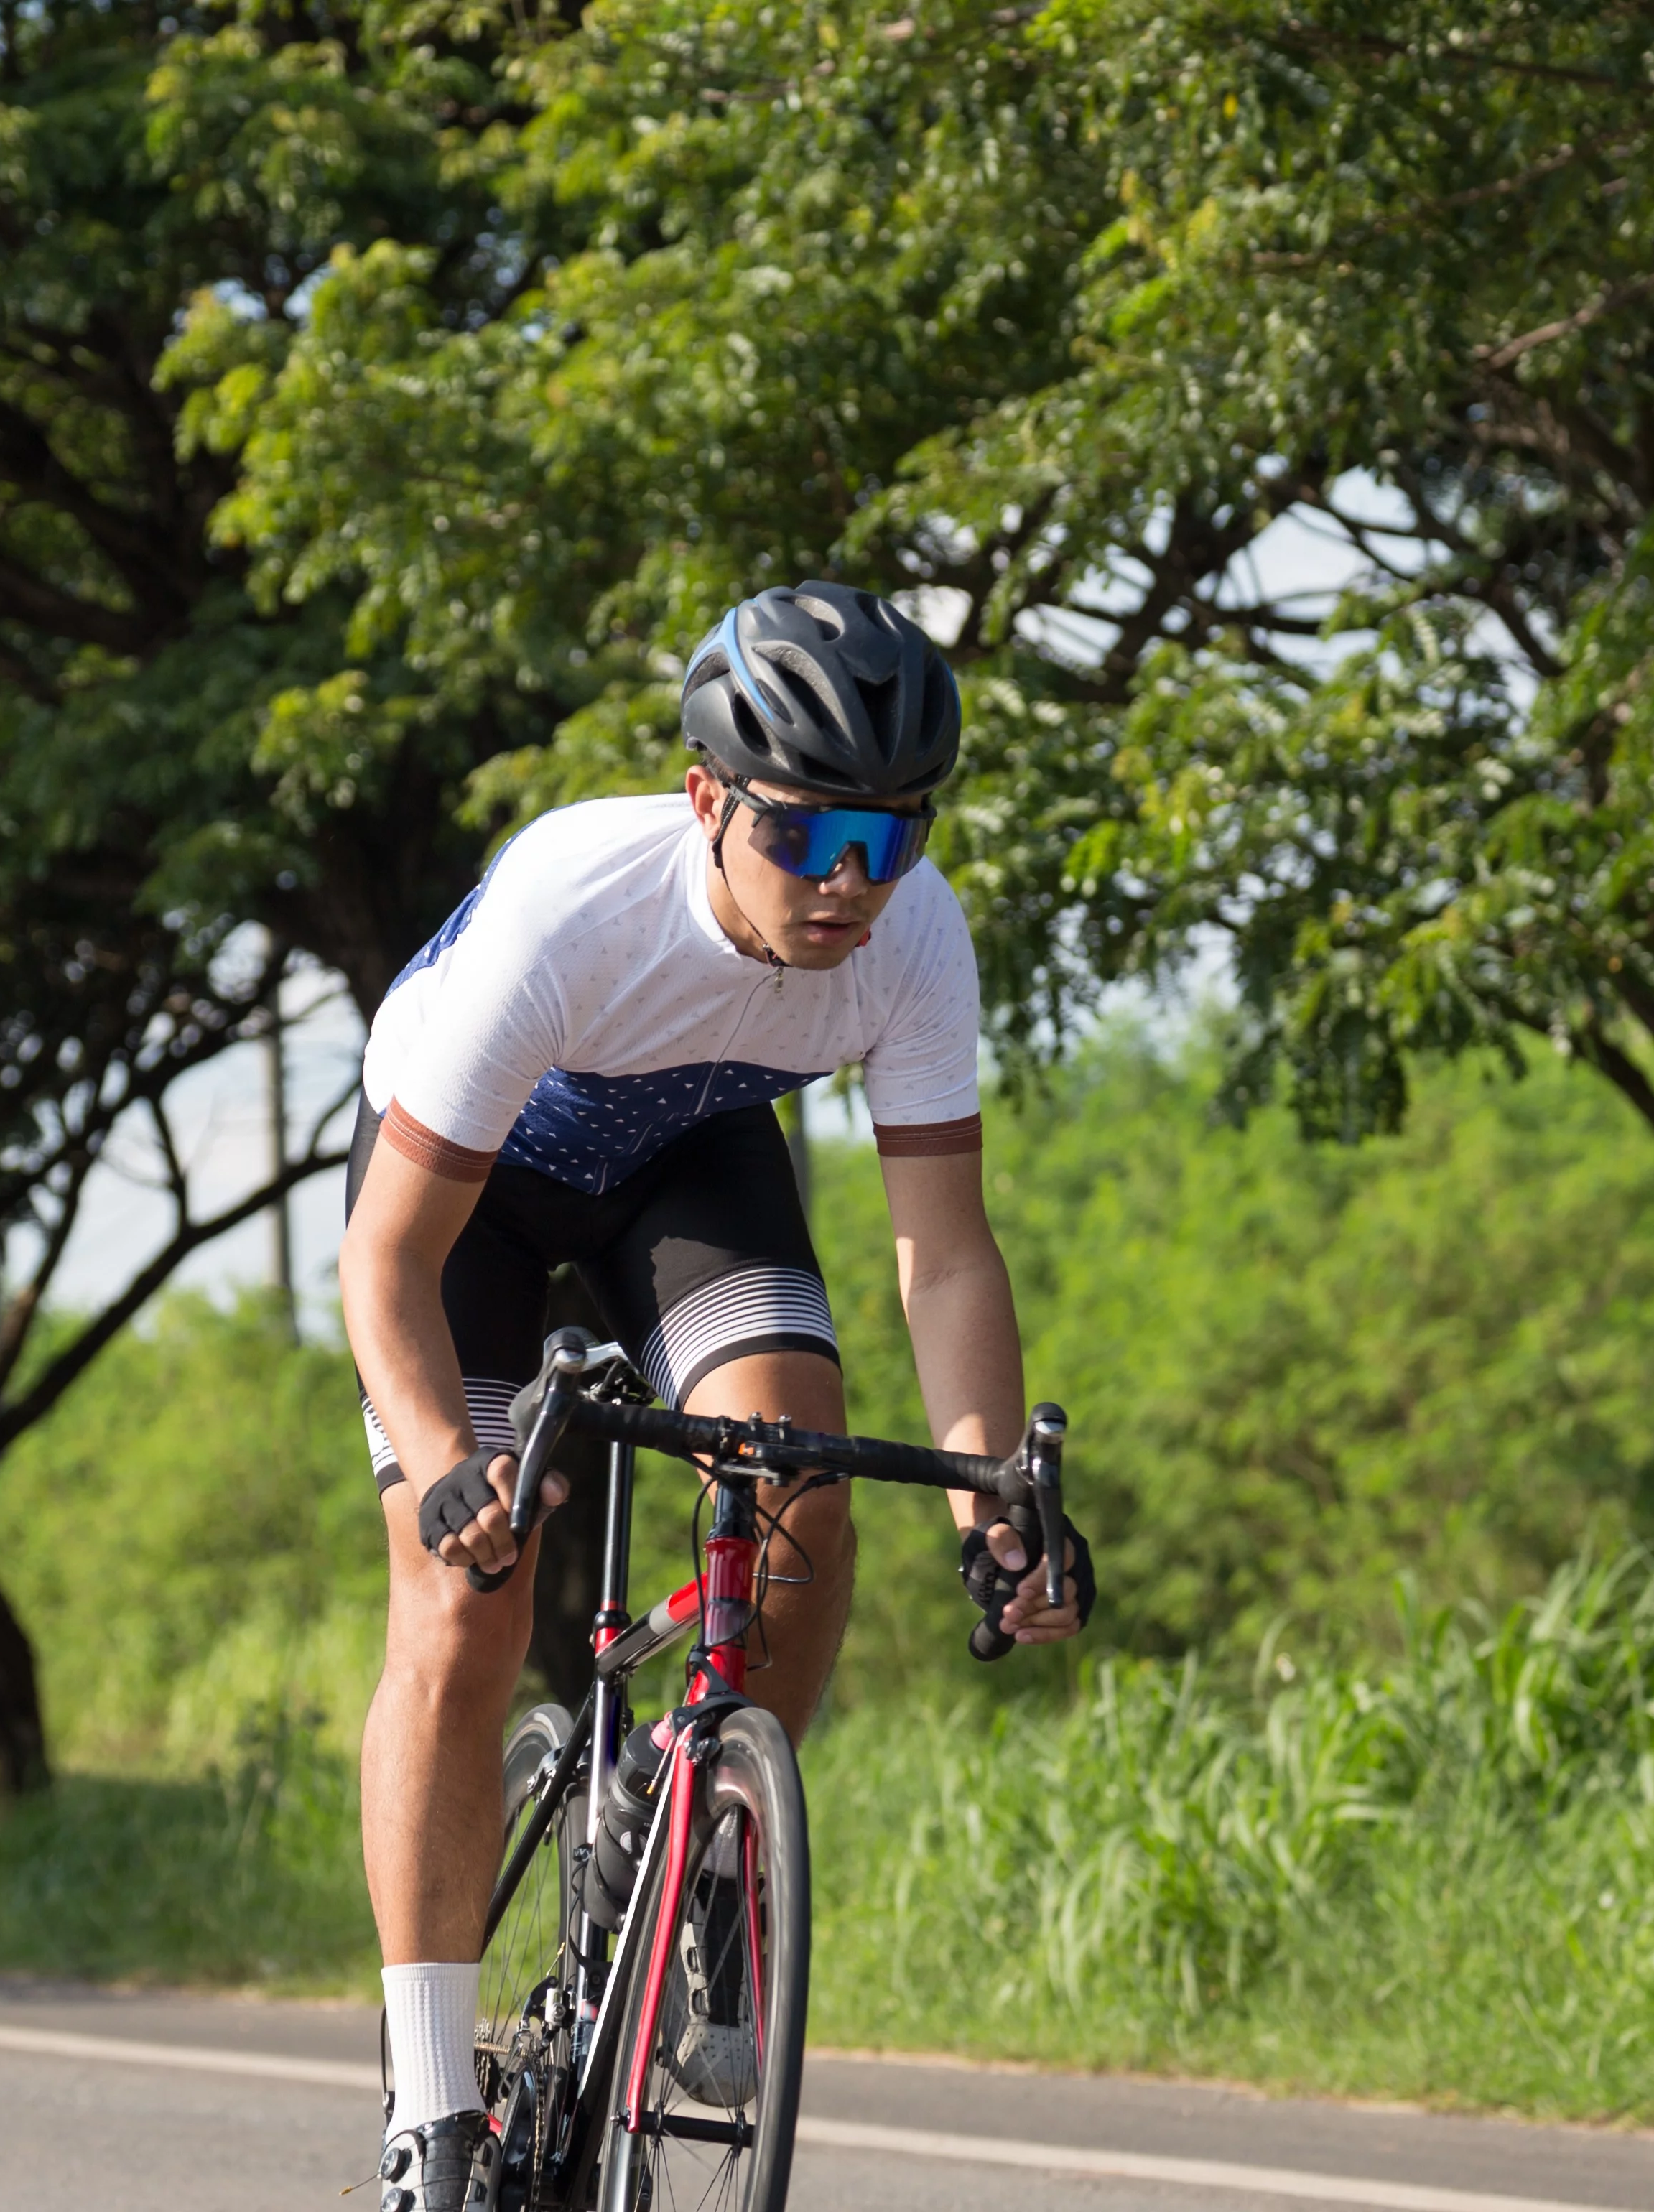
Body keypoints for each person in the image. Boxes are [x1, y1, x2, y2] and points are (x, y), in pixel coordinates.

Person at [340, 581, 1093, 2211]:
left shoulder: (918, 941)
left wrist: (993, 1504)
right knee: (462, 1608)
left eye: (889, 843)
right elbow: (385, 1260)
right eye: (812, 834)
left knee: (800, 1480)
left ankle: (703, 1879)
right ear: (707, 798)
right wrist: (440, 1464)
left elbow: (945, 1256)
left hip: (682, 1159)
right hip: (468, 1193)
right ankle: (426, 2104)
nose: (848, 887)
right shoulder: (573, 905)